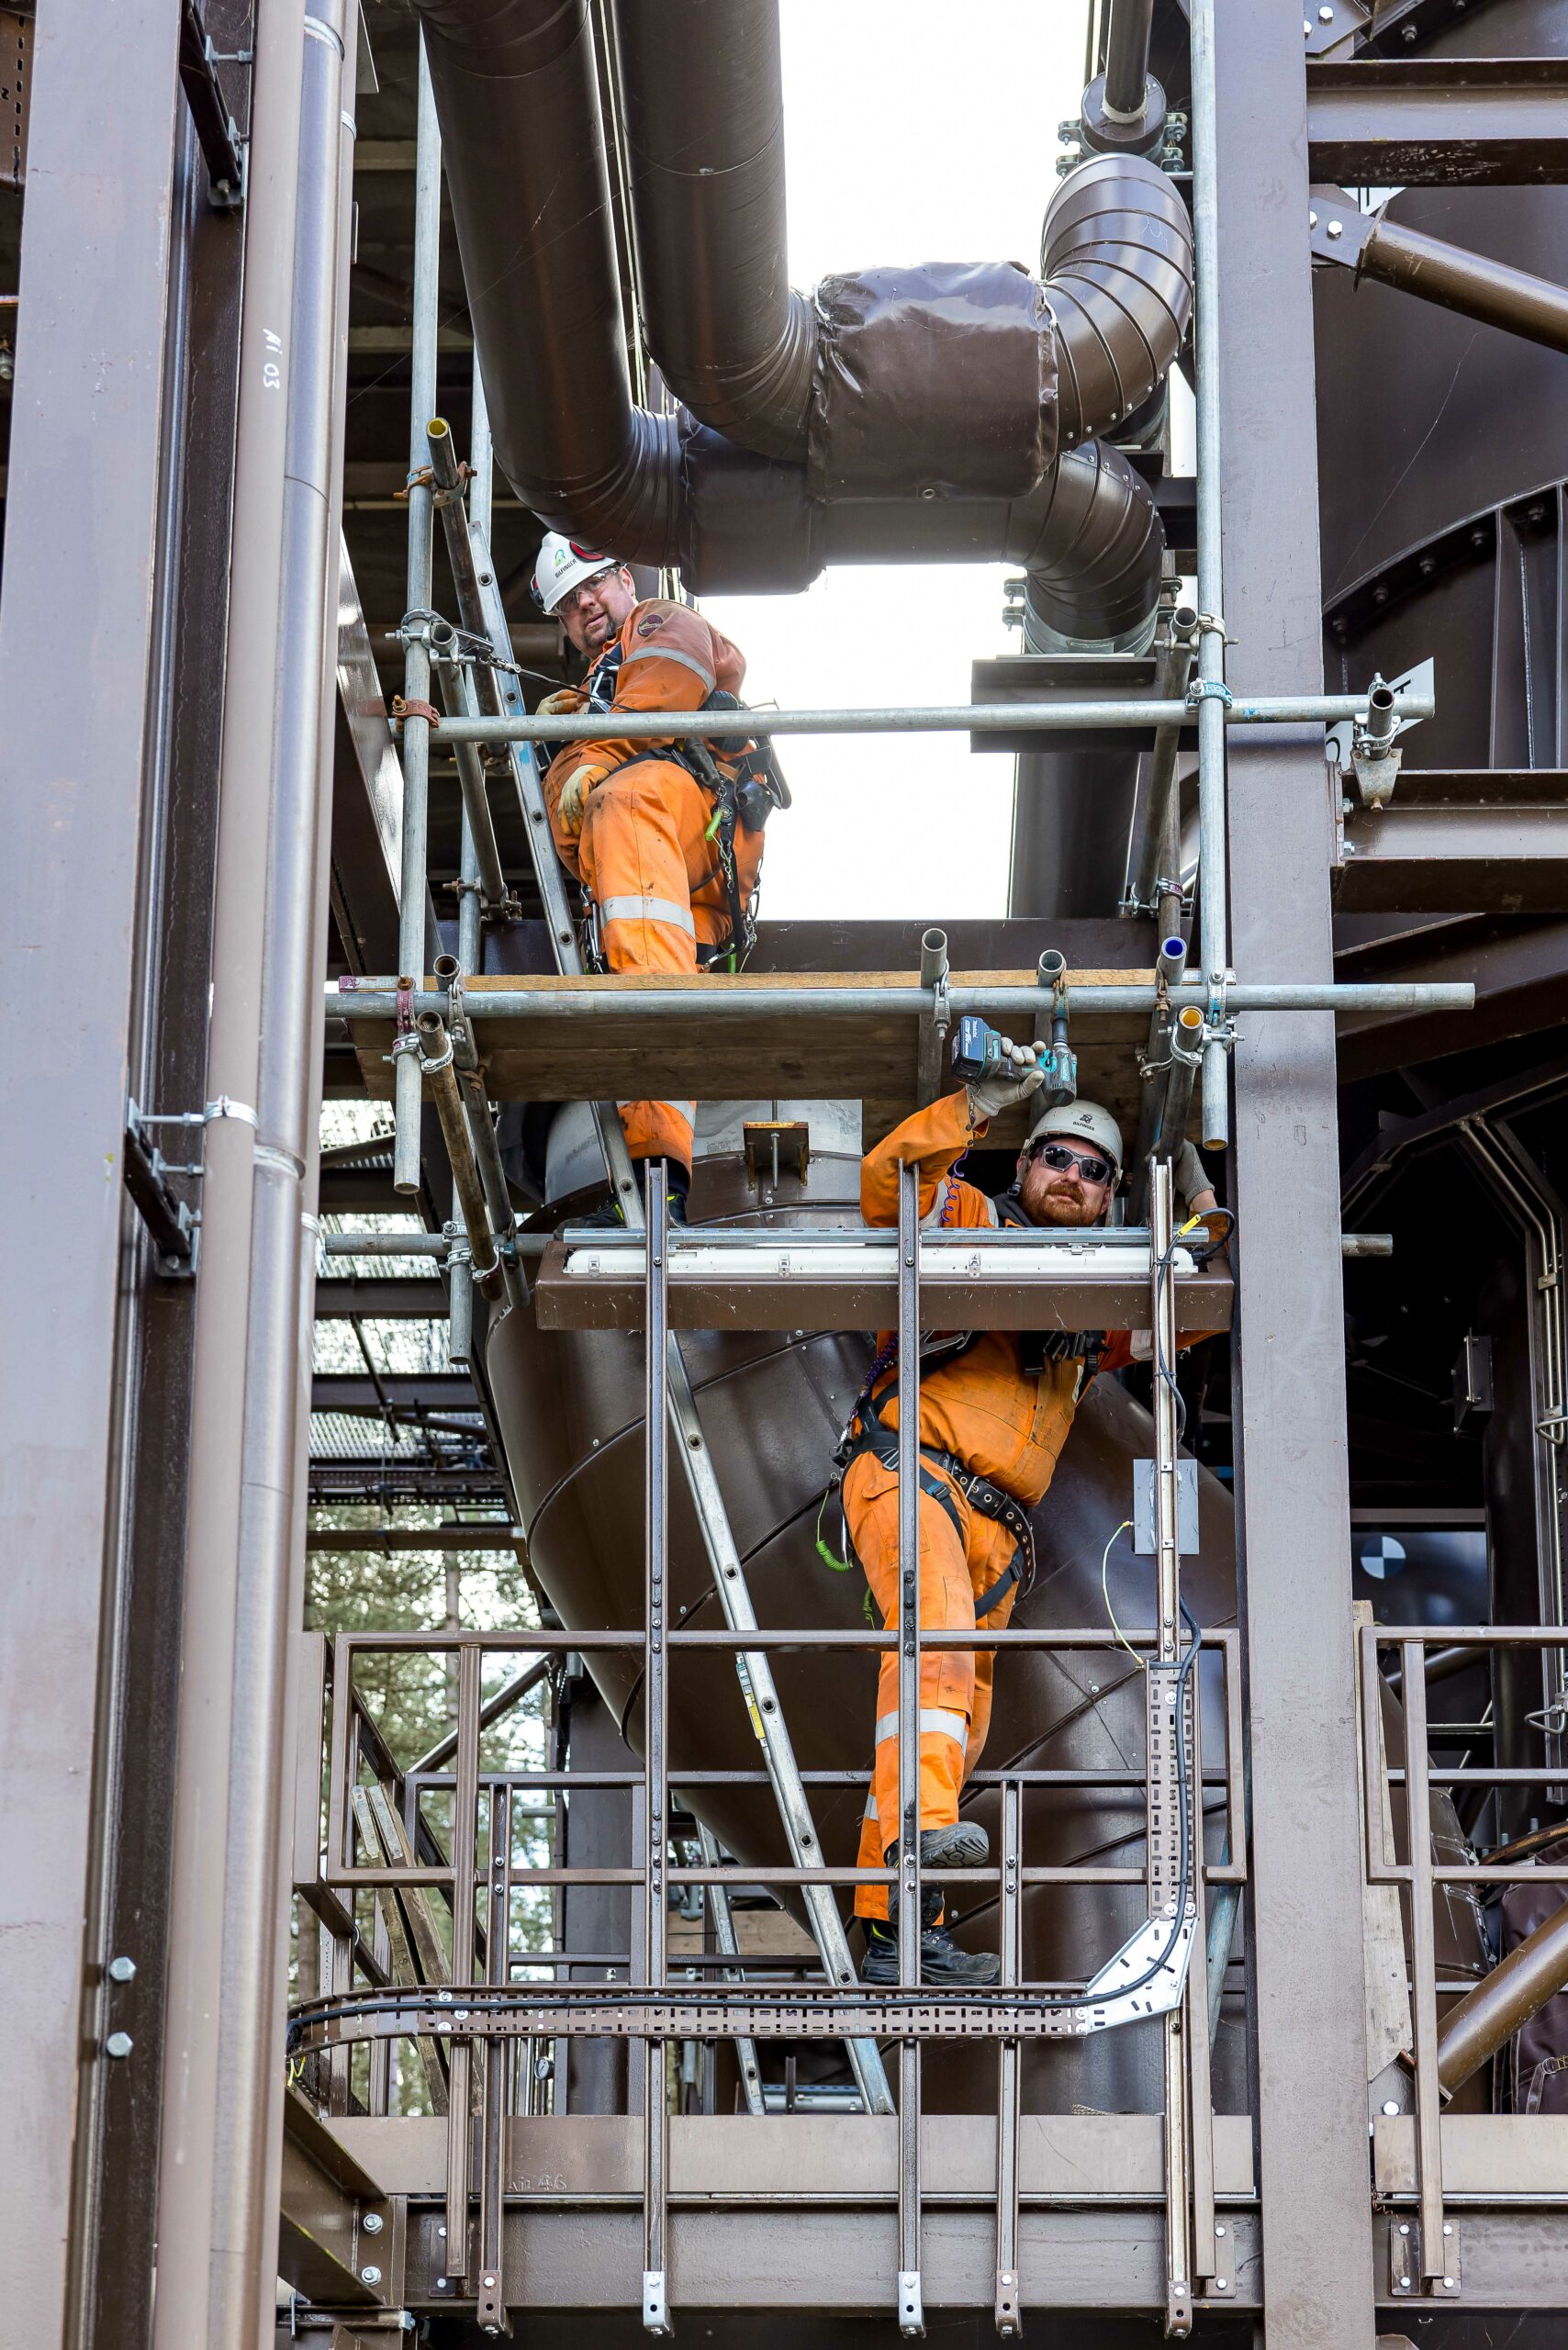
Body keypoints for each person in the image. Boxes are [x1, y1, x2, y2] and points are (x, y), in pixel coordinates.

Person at [838, 1040, 1227, 1986]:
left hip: (996, 1533)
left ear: (1107, 1198)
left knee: (948, 1725)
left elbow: (1197, 1311)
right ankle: (923, 1839)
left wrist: (1196, 1201)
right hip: (912, 1472)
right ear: (1023, 1165)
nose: (1072, 1176)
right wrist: (977, 1103)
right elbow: (888, 1185)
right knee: (929, 1657)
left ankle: (898, 1934)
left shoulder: (1087, 1314)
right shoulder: (968, 1215)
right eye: (1056, 1156)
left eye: (1094, 1172)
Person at [531, 534, 773, 1224]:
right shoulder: (588, 700)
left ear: (625, 580)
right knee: (640, 983)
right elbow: (570, 832)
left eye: (594, 586)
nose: (587, 606)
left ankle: (658, 1174)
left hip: (689, 823)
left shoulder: (658, 622)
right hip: (664, 887)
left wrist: (589, 754)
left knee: (624, 803)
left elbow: (669, 685)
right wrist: (569, 746)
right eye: (570, 604)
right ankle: (653, 1181)